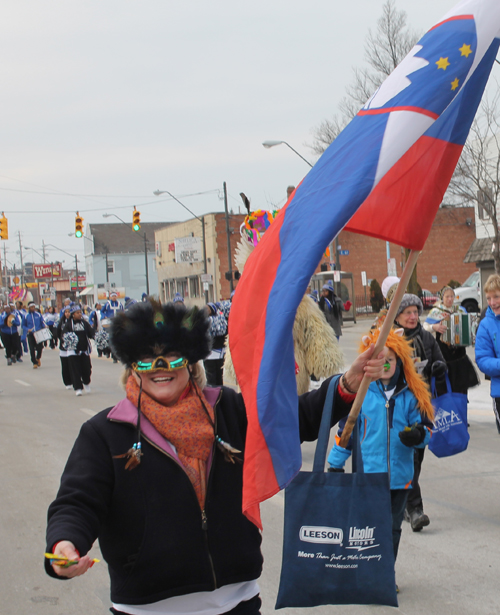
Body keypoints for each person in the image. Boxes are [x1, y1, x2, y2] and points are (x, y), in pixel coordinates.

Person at [44, 300, 386, 615]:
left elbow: (293, 418)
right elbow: (77, 502)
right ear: (133, 368)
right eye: (147, 359)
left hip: (237, 602)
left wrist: (347, 384)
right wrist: (65, 543)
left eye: (173, 357)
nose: (160, 367)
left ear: (191, 363)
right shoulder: (104, 433)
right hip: (146, 607)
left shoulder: (228, 409)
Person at [328, 328, 434, 571]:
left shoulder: (410, 395)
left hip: (400, 478)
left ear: (399, 362)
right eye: (379, 360)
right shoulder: (362, 395)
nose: (385, 365)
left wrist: (417, 436)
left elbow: (426, 430)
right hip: (369, 476)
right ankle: (368, 571)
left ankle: (385, 574)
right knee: (369, 526)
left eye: (390, 360)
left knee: (393, 527)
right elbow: (346, 433)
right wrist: (335, 464)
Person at [393, 293, 445, 532]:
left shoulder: (425, 337)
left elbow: (439, 362)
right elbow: (379, 368)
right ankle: (415, 510)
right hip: (398, 406)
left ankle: (404, 503)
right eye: (408, 313)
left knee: (417, 458)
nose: (413, 316)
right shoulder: (390, 338)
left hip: (422, 406)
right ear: (398, 315)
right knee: (409, 458)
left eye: (415, 312)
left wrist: (437, 367)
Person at [423, 286, 479, 395]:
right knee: (446, 384)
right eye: (447, 296)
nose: (450, 299)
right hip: (444, 351)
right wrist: (434, 327)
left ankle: (461, 401)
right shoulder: (436, 311)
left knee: (461, 384)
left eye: (452, 296)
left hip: (459, 353)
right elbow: (424, 326)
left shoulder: (460, 310)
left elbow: (469, 324)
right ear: (442, 297)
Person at [475, 273, 500, 434]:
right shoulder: (485, 325)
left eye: (496, 296)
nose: (492, 302)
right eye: (489, 298)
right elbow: (483, 359)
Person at [62, 305, 94, 396]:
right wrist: (68, 340)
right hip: (73, 352)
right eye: (77, 313)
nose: (80, 314)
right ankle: (78, 388)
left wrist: (96, 336)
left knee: (87, 369)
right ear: (73, 315)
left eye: (80, 312)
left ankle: (86, 382)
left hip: (84, 350)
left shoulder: (84, 323)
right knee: (75, 370)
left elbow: (91, 332)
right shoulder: (68, 325)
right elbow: (64, 335)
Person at [204, 301, 231, 386]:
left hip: (216, 354)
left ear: (212, 310)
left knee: (216, 378)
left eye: (207, 308)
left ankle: (218, 396)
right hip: (211, 355)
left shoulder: (218, 322)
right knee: (213, 378)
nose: (205, 310)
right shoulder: (219, 322)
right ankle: (217, 395)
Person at [23, 302, 47, 368]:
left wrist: (44, 326)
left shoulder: (38, 315)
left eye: (33, 307)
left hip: (38, 333)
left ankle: (38, 357)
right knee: (31, 348)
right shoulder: (26, 316)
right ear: (29, 307)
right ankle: (34, 362)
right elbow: (23, 325)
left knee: (40, 347)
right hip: (31, 334)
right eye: (31, 307)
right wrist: (28, 329)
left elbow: (42, 322)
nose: (33, 308)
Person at [56, 306, 73, 390]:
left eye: (69, 312)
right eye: (66, 312)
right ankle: (67, 382)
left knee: (72, 365)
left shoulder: (74, 322)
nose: (67, 314)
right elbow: (58, 333)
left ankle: (74, 380)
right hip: (63, 347)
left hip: (72, 348)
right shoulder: (61, 322)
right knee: (65, 365)